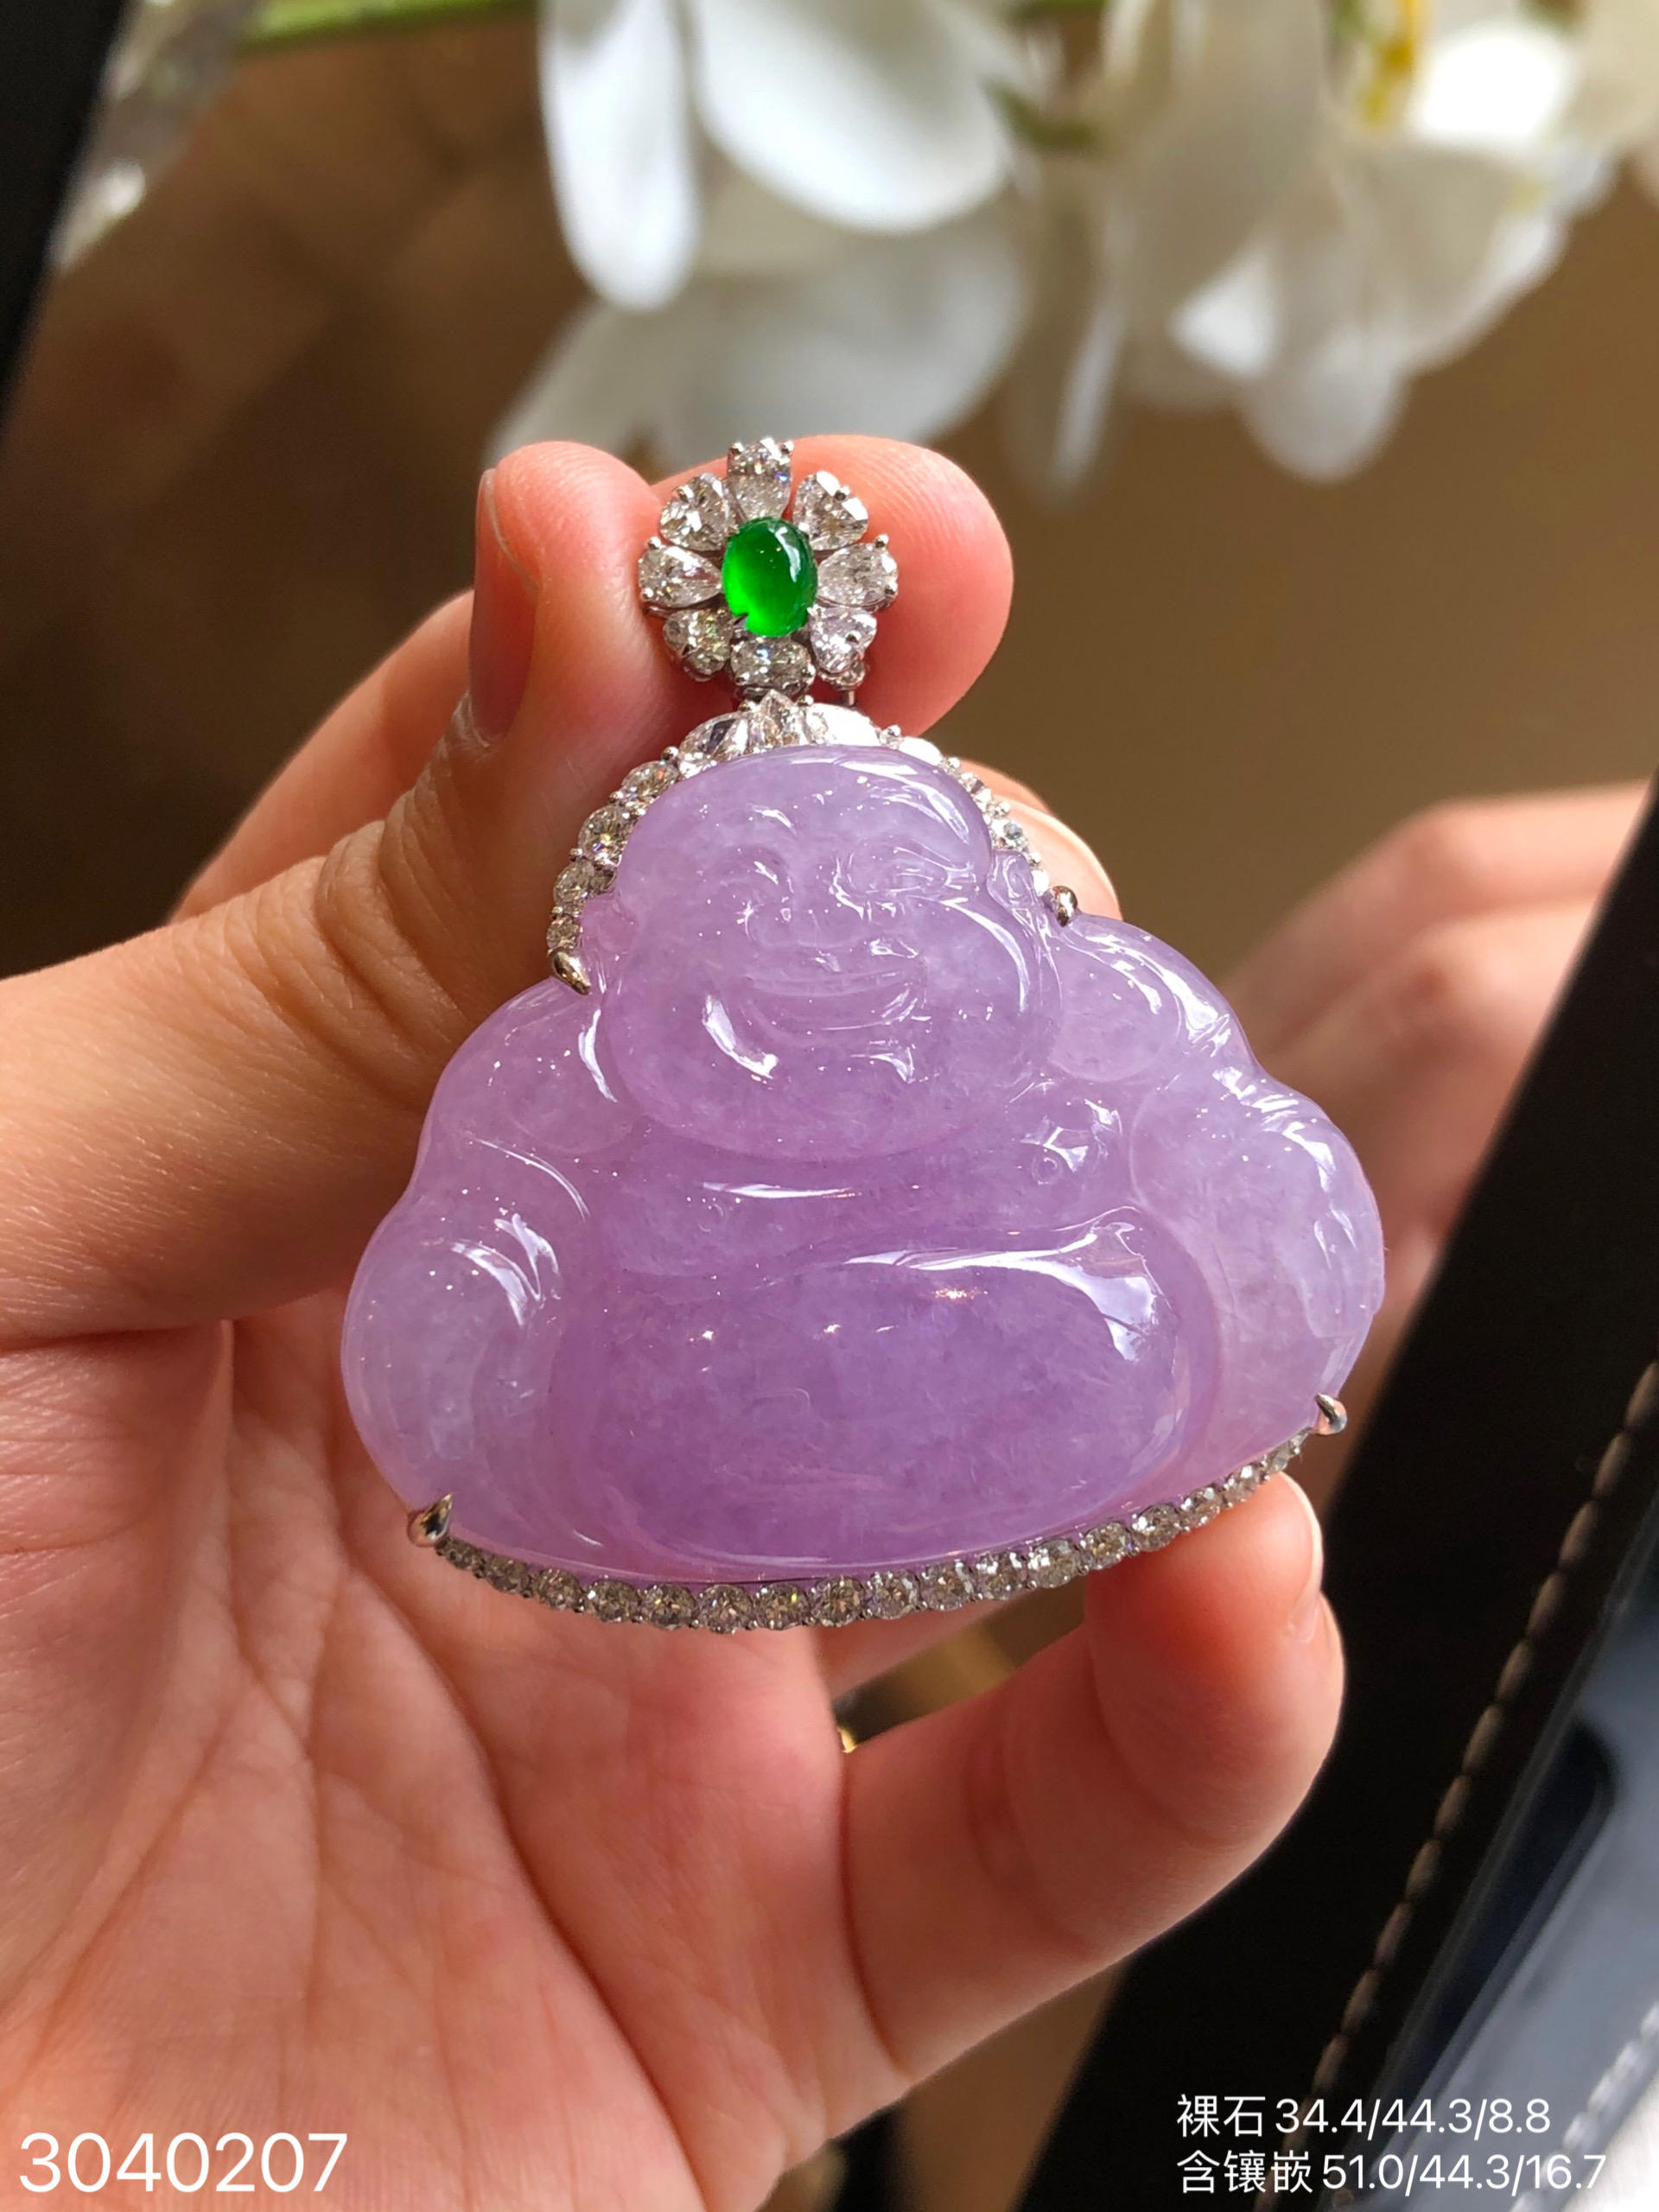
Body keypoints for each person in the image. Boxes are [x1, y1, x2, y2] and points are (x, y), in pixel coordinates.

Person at [0, 437, 1639, 2206]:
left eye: (885, 900)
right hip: (680, 1399)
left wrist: (1245, 1229)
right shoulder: (560, 1076)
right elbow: (472, 1270)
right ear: (635, 935)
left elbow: (1228, 1142)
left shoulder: (1084, 1026)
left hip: (1063, 1354)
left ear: (982, 902)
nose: (831, 949)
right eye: (760, 907)